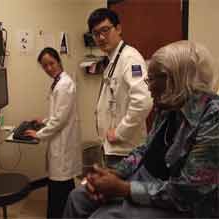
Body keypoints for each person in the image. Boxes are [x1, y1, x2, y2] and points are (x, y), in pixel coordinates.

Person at [63, 40, 219, 218]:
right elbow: (145, 150)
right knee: (78, 197)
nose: (148, 86)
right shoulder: (169, 106)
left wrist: (124, 189)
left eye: (152, 79)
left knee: (103, 217)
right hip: (143, 178)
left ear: (177, 78)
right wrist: (114, 172)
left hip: (179, 200)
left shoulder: (213, 116)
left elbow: (187, 193)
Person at [88, 8, 152, 167]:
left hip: (125, 151)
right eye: (96, 34)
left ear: (118, 29)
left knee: (119, 191)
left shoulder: (130, 58)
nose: (101, 37)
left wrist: (119, 132)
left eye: (105, 30)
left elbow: (144, 101)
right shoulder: (114, 59)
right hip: (114, 148)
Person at [25, 47, 82, 218]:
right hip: (60, 139)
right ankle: (70, 213)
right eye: (45, 66)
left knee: (60, 186)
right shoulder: (59, 82)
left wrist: (39, 134)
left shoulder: (64, 84)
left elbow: (59, 120)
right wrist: (44, 121)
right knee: (63, 185)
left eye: (51, 63)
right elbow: (58, 115)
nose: (49, 68)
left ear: (58, 61)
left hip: (62, 142)